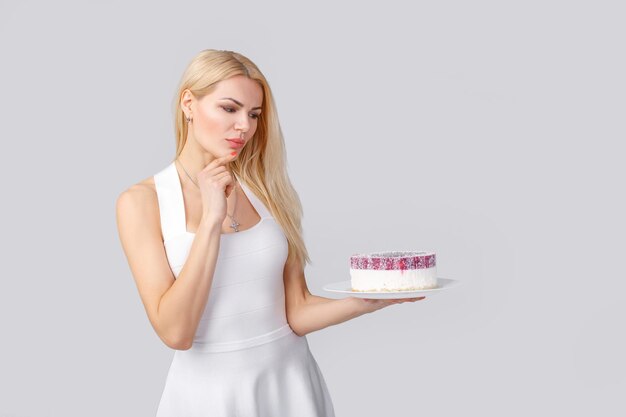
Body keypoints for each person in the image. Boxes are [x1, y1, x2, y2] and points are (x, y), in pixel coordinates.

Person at [115, 49, 425, 416]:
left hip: (290, 384)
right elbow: (176, 333)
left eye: (254, 114)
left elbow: (295, 312)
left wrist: (370, 301)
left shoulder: (266, 190)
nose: (244, 126)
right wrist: (212, 220)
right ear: (188, 104)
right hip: (210, 398)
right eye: (229, 109)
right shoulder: (142, 202)